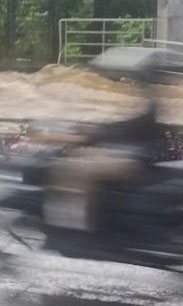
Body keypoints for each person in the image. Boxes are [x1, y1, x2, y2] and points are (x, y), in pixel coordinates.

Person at [43, 48, 165, 233]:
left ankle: (81, 224)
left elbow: (132, 127)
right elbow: (128, 126)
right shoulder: (150, 100)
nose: (132, 82)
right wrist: (97, 131)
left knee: (78, 167)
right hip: (131, 153)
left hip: (137, 159)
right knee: (78, 157)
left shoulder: (152, 102)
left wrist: (96, 134)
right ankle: (79, 215)